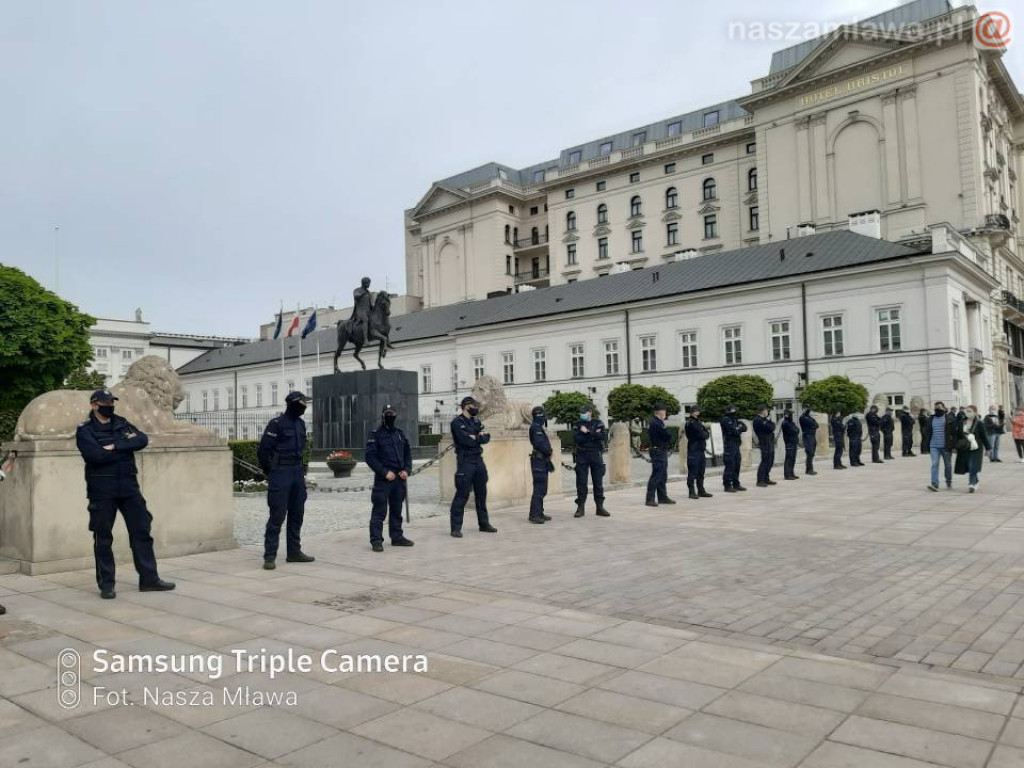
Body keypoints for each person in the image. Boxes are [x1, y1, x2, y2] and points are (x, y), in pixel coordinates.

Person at [75, 388, 176, 599]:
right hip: (102, 490)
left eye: (111, 402)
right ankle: (107, 584)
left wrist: (114, 446)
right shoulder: (85, 430)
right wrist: (122, 449)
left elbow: (141, 440)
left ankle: (149, 579)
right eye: (105, 402)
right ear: (94, 405)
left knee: (142, 531)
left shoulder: (121, 422)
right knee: (103, 537)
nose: (109, 405)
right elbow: (95, 456)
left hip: (129, 487)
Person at [258, 391, 316, 569]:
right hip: (281, 472)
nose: (305, 406)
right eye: (302, 403)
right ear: (292, 403)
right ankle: (270, 556)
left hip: (297, 473)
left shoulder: (300, 424)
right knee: (277, 515)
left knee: (297, 514)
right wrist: (272, 472)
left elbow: (302, 450)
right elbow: (263, 452)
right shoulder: (276, 424)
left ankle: (294, 552)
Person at [364, 403, 414, 552]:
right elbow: (370, 457)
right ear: (382, 415)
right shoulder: (375, 434)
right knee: (379, 510)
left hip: (399, 478)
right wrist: (384, 472)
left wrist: (406, 470)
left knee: (396, 509)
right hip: (383, 479)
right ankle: (376, 540)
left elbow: (407, 454)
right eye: (387, 413)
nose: (390, 416)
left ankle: (397, 537)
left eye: (392, 413)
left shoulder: (399, 433)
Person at [449, 396, 497, 537]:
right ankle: (455, 528)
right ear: (465, 406)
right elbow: (465, 440)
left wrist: (475, 437)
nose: (475, 407)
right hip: (465, 462)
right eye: (473, 405)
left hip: (478, 461)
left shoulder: (476, 421)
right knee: (462, 495)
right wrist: (476, 437)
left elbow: (486, 437)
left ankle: (484, 524)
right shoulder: (457, 423)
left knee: (481, 494)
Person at [573, 404, 610, 517]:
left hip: (595, 454)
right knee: (581, 483)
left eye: (584, 412)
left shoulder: (598, 422)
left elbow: (603, 436)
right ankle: (580, 508)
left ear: (590, 412)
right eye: (581, 412)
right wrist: (594, 434)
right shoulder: (577, 424)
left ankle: (600, 507)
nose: (582, 414)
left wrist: (587, 432)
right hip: (582, 454)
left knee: (598, 482)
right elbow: (577, 438)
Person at [528, 405, 555, 523]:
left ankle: (538, 512)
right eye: (543, 414)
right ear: (539, 415)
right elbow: (539, 444)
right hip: (538, 461)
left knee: (542, 489)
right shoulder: (536, 428)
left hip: (542, 461)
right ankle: (535, 516)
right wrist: (549, 451)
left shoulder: (538, 427)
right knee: (539, 488)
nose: (544, 417)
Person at [955, 406, 990, 492]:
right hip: (965, 447)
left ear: (975, 412)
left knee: (972, 466)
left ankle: (971, 484)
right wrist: (955, 446)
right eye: (967, 411)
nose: (968, 413)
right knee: (969, 466)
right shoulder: (961, 422)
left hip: (976, 448)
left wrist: (988, 449)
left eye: (970, 411)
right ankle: (976, 481)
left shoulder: (979, 423)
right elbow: (958, 435)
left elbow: (984, 436)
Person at [646, 403, 676, 506]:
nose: (665, 412)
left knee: (663, 475)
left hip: (660, 450)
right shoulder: (656, 422)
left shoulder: (656, 422)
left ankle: (662, 497)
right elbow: (667, 435)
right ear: (658, 411)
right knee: (657, 474)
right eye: (664, 410)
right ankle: (649, 498)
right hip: (658, 450)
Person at [685, 405, 712, 500]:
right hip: (694, 449)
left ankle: (701, 490)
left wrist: (704, 433)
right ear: (693, 412)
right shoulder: (691, 423)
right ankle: (691, 492)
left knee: (701, 471)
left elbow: (706, 434)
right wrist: (704, 433)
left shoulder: (698, 422)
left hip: (700, 449)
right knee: (692, 472)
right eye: (697, 411)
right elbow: (702, 434)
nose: (699, 412)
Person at [927, 401, 956, 491]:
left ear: (944, 408)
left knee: (948, 465)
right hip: (934, 446)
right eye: (935, 408)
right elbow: (927, 431)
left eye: (939, 408)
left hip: (946, 446)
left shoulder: (949, 419)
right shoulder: (931, 419)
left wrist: (954, 446)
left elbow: (954, 433)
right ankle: (934, 483)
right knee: (934, 464)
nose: (937, 410)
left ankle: (948, 480)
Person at [720, 404, 747, 492]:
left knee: (737, 464)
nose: (735, 411)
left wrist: (738, 428)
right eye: (733, 410)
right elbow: (734, 431)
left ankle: (736, 483)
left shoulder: (734, 419)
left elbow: (744, 427)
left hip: (736, 444)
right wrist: (739, 429)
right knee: (730, 464)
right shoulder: (726, 420)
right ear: (729, 410)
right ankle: (727, 485)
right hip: (729, 444)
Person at [753, 405, 776, 487]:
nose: (767, 412)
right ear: (763, 411)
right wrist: (769, 422)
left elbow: (773, 426)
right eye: (766, 410)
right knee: (765, 461)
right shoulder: (758, 420)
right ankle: (760, 480)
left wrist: (769, 422)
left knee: (770, 461)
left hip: (769, 442)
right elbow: (770, 428)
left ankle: (766, 478)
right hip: (764, 442)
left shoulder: (764, 419)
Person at [799, 405, 818, 475]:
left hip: (812, 436)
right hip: (807, 436)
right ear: (803, 409)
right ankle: (809, 469)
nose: (808, 410)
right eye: (806, 409)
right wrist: (813, 425)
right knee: (809, 452)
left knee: (812, 453)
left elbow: (816, 425)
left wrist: (813, 424)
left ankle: (809, 469)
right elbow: (813, 424)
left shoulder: (809, 417)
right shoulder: (802, 417)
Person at [781, 409, 800, 480]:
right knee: (789, 458)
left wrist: (795, 430)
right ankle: (787, 475)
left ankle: (791, 473)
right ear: (787, 414)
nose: (791, 415)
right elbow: (793, 431)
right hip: (789, 442)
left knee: (793, 459)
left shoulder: (791, 422)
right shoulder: (785, 423)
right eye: (790, 414)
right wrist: (795, 430)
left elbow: (797, 430)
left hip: (793, 442)